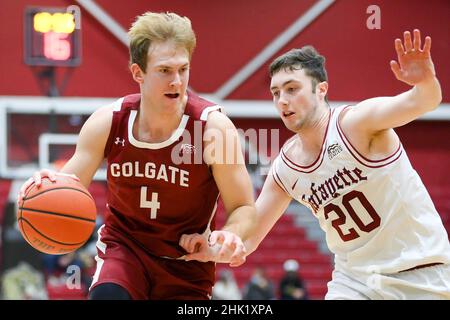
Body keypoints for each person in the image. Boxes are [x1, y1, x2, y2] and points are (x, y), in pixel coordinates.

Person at [181, 29, 450, 299]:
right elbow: (248, 238)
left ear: (321, 89)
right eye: (275, 92)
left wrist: (426, 83)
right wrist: (213, 247)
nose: (282, 100)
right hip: (355, 281)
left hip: (421, 271)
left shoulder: (357, 123)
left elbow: (424, 101)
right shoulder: (286, 167)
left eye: (292, 89)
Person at [18, 11, 256, 300]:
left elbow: (243, 205)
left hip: (186, 263)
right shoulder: (108, 122)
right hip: (124, 250)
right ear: (137, 73)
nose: (177, 81)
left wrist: (229, 234)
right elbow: (70, 182)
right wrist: (47, 185)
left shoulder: (212, 129)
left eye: (183, 69)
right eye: (165, 70)